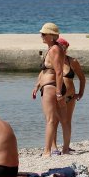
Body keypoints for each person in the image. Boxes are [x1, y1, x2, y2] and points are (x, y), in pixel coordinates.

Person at [31, 23, 66, 157]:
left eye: (44, 34)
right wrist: (37, 85)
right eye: (41, 34)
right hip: (47, 86)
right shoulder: (51, 48)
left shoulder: (54, 49)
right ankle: (53, 148)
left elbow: (58, 72)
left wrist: (58, 92)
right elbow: (44, 70)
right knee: (52, 119)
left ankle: (47, 151)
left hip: (51, 87)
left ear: (51, 36)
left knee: (50, 120)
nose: (41, 36)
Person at [54, 37, 86, 154]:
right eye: (58, 46)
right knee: (54, 122)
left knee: (67, 121)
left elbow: (82, 78)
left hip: (70, 97)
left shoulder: (72, 61)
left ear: (66, 48)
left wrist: (81, 92)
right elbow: (43, 74)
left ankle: (66, 147)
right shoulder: (52, 60)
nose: (60, 49)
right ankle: (54, 148)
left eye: (63, 47)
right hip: (56, 97)